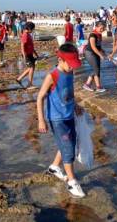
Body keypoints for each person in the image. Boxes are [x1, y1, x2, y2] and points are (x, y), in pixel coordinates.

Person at [37, 43, 85, 198]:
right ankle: (72, 182)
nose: (72, 68)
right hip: (57, 119)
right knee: (68, 149)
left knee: (69, 142)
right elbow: (40, 98)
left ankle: (54, 167)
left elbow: (69, 92)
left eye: (74, 65)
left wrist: (76, 105)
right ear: (60, 60)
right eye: (70, 64)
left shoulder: (70, 73)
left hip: (69, 114)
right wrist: (41, 120)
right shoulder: (52, 76)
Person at [82, 22, 106, 93]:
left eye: (103, 29)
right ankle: (94, 86)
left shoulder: (99, 35)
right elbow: (93, 47)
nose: (102, 30)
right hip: (89, 53)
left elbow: (98, 46)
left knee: (96, 69)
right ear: (96, 27)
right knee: (96, 69)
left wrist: (103, 52)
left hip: (95, 53)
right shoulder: (93, 35)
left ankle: (92, 85)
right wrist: (100, 55)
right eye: (101, 28)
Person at [16, 22, 38, 90]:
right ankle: (29, 84)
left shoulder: (29, 34)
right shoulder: (25, 35)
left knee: (31, 68)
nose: (33, 30)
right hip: (26, 55)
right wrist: (24, 57)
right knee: (31, 68)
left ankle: (19, 79)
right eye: (32, 29)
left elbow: (31, 46)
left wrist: (36, 54)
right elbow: (22, 46)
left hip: (30, 54)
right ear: (28, 28)